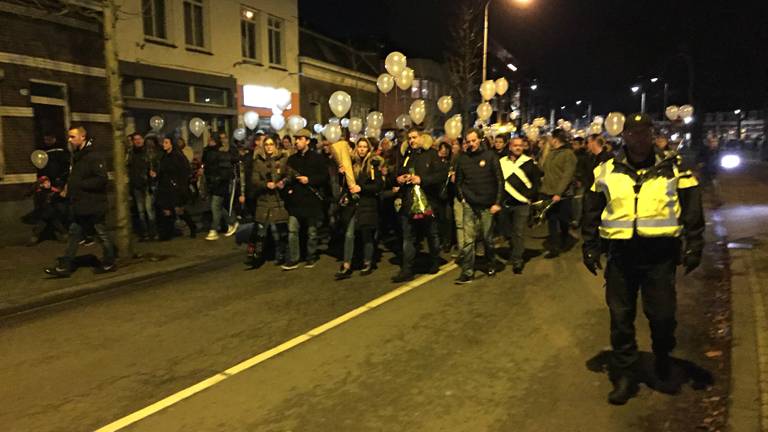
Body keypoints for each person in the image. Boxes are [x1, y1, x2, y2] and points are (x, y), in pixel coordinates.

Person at [582, 113, 705, 405]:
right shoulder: (606, 170)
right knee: (620, 318)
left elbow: (692, 209)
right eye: (633, 133)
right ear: (623, 136)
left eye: (644, 132)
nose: (639, 137)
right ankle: (625, 375)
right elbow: (591, 210)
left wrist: (695, 244)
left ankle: (662, 356)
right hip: (621, 256)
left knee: (662, 316)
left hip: (659, 256)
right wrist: (589, 246)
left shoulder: (676, 168)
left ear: (652, 134)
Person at [45, 126, 115, 277]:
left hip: (94, 204)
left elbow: (101, 179)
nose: (69, 140)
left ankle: (109, 261)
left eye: (72, 137)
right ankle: (65, 266)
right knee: (74, 233)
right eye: (69, 137)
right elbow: (73, 177)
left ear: (83, 137)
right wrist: (67, 188)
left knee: (101, 232)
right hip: (80, 204)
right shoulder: (77, 156)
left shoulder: (94, 156)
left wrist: (79, 185)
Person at [391, 127, 446, 283]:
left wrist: (422, 179)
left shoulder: (432, 155)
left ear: (422, 138)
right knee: (408, 237)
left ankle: (434, 261)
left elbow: (441, 175)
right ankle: (407, 269)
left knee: (431, 234)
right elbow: (396, 174)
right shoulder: (407, 156)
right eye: (409, 138)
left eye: (414, 137)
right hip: (409, 203)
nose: (411, 140)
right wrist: (399, 179)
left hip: (427, 202)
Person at [454, 128, 503, 284]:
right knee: (468, 240)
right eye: (468, 141)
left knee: (487, 238)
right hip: (469, 203)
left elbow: (500, 180)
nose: (471, 144)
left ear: (480, 140)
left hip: (488, 204)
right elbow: (459, 182)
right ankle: (467, 271)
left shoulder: (490, 156)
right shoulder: (462, 159)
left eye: (474, 140)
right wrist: (462, 198)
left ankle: (490, 262)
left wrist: (497, 202)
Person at [335, 138, 385, 279]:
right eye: (360, 147)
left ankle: (367, 262)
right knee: (349, 234)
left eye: (365, 147)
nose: (362, 149)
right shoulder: (352, 164)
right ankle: (346, 265)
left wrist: (361, 188)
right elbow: (345, 186)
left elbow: (378, 186)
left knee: (366, 235)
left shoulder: (373, 165)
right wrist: (341, 175)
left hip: (367, 204)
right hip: (353, 205)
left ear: (369, 149)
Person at [282, 129, 329, 270]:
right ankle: (294, 258)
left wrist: (310, 180)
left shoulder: (317, 158)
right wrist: (287, 188)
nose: (297, 141)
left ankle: (310, 256)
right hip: (296, 201)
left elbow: (324, 177)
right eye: (295, 139)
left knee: (311, 232)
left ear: (307, 141)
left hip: (311, 201)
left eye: (300, 139)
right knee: (292, 230)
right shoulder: (292, 159)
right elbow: (288, 178)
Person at [499, 137, 542, 273]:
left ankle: (517, 260)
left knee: (518, 231)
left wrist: (529, 197)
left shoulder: (529, 163)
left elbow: (536, 183)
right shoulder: (502, 162)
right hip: (505, 203)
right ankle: (514, 249)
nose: (518, 148)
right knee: (507, 232)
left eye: (520, 146)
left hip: (522, 203)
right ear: (510, 147)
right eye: (515, 145)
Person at [246, 135, 289, 268]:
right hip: (264, 200)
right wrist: (265, 184)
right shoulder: (258, 162)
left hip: (278, 200)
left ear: (276, 146)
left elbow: (290, 174)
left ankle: (281, 254)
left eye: (271, 144)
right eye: (266, 144)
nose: (269, 147)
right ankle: (257, 256)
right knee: (261, 231)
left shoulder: (283, 160)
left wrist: (283, 182)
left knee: (279, 231)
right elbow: (254, 180)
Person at [539, 129, 577, 258]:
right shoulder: (551, 153)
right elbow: (544, 169)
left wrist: (559, 192)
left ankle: (566, 237)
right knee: (551, 219)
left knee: (563, 219)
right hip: (548, 192)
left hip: (562, 194)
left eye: (551, 138)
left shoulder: (568, 154)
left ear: (556, 139)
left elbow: (567, 175)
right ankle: (554, 247)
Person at [153, 137, 196, 240]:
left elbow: (184, 171)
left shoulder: (178, 156)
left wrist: (179, 184)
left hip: (176, 187)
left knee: (178, 210)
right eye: (163, 142)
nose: (164, 144)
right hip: (165, 187)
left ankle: (192, 227)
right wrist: (156, 175)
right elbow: (162, 171)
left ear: (171, 144)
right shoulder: (164, 156)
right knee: (166, 210)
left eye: (166, 142)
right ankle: (167, 234)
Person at [203, 132, 237, 240]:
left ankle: (213, 229)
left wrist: (218, 179)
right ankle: (232, 221)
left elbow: (225, 169)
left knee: (215, 205)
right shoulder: (208, 151)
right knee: (218, 207)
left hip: (220, 183)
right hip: (212, 183)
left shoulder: (222, 153)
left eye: (212, 139)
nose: (209, 141)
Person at [127, 133, 157, 241]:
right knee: (141, 212)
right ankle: (145, 234)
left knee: (149, 210)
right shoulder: (131, 153)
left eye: (139, 139)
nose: (137, 141)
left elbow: (154, 166)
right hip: (137, 185)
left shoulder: (149, 152)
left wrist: (153, 175)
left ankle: (152, 233)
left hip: (147, 185)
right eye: (135, 139)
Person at [28, 176, 67, 245]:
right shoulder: (39, 192)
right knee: (39, 227)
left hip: (52, 213)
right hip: (44, 214)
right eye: (45, 183)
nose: (48, 184)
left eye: (48, 182)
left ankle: (65, 237)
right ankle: (33, 240)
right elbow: (39, 203)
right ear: (41, 184)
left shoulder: (53, 190)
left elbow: (60, 196)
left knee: (58, 225)